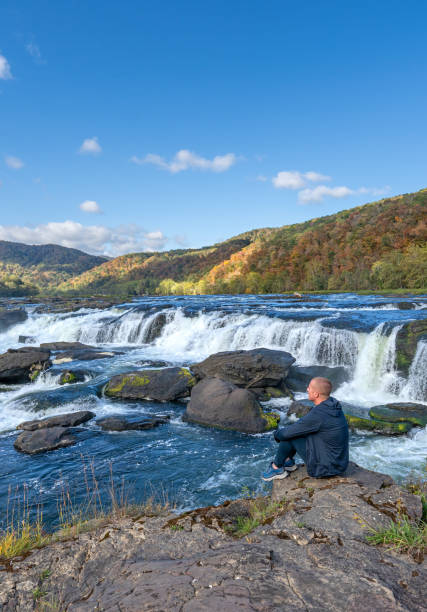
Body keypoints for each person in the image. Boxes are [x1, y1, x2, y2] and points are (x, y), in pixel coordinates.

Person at [262, 377, 349, 481]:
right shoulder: (333, 405)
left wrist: (276, 434)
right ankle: (287, 461)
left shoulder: (319, 414)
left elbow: (286, 434)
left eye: (309, 388)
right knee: (296, 432)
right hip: (339, 464)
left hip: (326, 468)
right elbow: (301, 427)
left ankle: (276, 468)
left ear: (316, 394)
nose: (307, 389)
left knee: (289, 436)